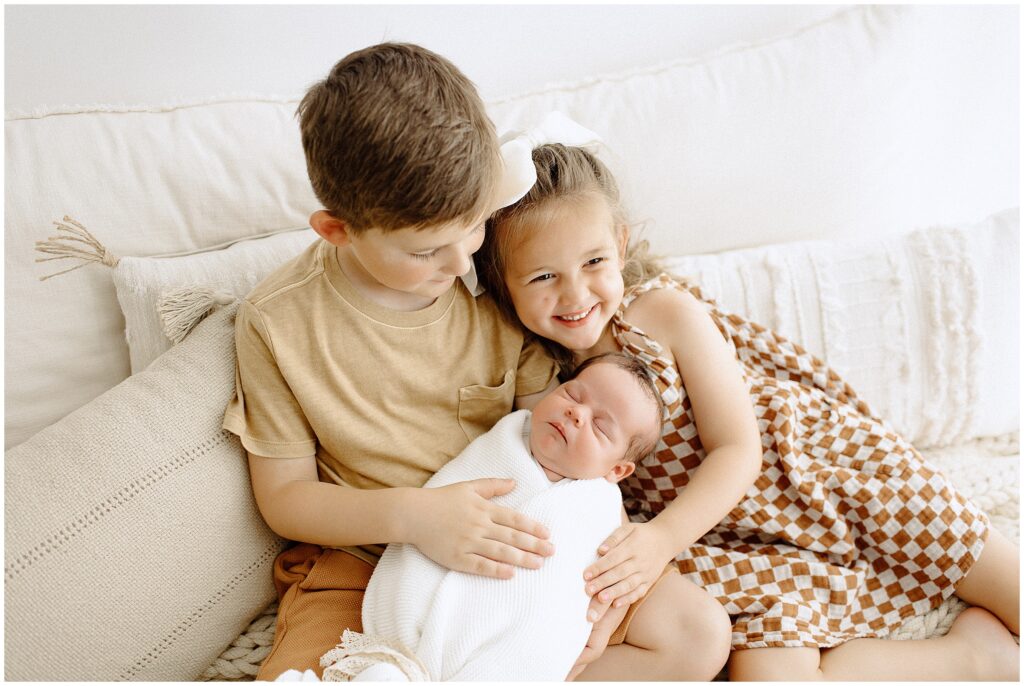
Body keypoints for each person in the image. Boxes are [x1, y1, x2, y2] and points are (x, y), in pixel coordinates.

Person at [223, 45, 729, 682]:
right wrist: (413, 516)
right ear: (337, 230)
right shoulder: (277, 323)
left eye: (473, 229)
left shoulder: (499, 279)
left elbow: (563, 446)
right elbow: (287, 499)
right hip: (368, 555)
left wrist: (597, 583)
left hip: (524, 538)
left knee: (696, 634)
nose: (462, 264)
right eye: (429, 249)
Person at [476, 138, 1020, 681]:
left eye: (593, 261)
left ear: (620, 245)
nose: (575, 295)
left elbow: (738, 447)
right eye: (543, 277)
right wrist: (636, 561)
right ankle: (972, 658)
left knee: (990, 571)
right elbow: (570, 487)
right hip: (726, 539)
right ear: (504, 281)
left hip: (814, 473)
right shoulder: (537, 374)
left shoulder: (660, 313)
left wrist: (662, 538)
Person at [317, 353, 665, 682]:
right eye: (572, 394)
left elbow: (582, 583)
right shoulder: (507, 438)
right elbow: (449, 491)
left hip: (513, 640)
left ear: (617, 469)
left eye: (601, 427)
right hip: (421, 601)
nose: (576, 414)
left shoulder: (599, 503)